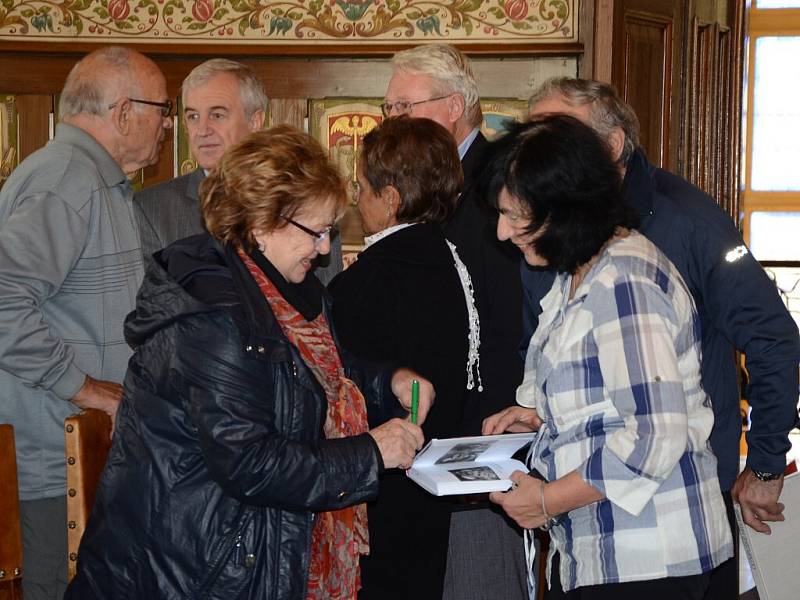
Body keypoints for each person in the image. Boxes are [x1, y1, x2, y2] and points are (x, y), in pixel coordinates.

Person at [64, 125, 433, 600]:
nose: (325, 250)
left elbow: (318, 376)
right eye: (316, 232)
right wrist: (371, 453)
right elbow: (251, 464)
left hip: (237, 549)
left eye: (329, 232)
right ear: (261, 222)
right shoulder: (214, 317)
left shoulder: (286, 288)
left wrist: (388, 382)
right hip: (192, 569)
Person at [524, 77, 800, 597]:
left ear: (611, 146)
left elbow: (772, 337)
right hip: (586, 515)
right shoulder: (553, 227)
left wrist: (765, 461)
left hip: (675, 513)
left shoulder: (690, 222)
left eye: (558, 136)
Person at [483, 115, 734, 599]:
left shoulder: (623, 280)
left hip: (648, 555)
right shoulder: (580, 269)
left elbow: (655, 432)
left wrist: (547, 501)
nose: (501, 231)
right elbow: (611, 390)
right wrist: (541, 416)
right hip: (615, 552)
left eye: (515, 215)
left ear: (566, 208)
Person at [0, 46, 172, 600]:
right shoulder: (68, 181)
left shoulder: (95, 179)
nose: (168, 126)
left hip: (77, 459)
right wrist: (87, 389)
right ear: (124, 113)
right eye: (163, 110)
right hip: (49, 467)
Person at [384, 43, 527, 600]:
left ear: (455, 106)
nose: (393, 121)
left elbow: (504, 321)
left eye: (404, 107)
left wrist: (480, 439)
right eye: (388, 110)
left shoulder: (494, 183)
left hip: (481, 434)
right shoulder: (440, 182)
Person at [328, 116, 478, 599]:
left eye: (363, 188)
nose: (356, 199)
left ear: (390, 199)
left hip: (380, 499)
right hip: (434, 488)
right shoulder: (450, 258)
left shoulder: (364, 282)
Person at [134, 58, 344, 284]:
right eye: (193, 116)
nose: (202, 130)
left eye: (217, 115)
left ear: (255, 121)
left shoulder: (308, 201)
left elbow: (326, 301)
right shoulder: (152, 209)